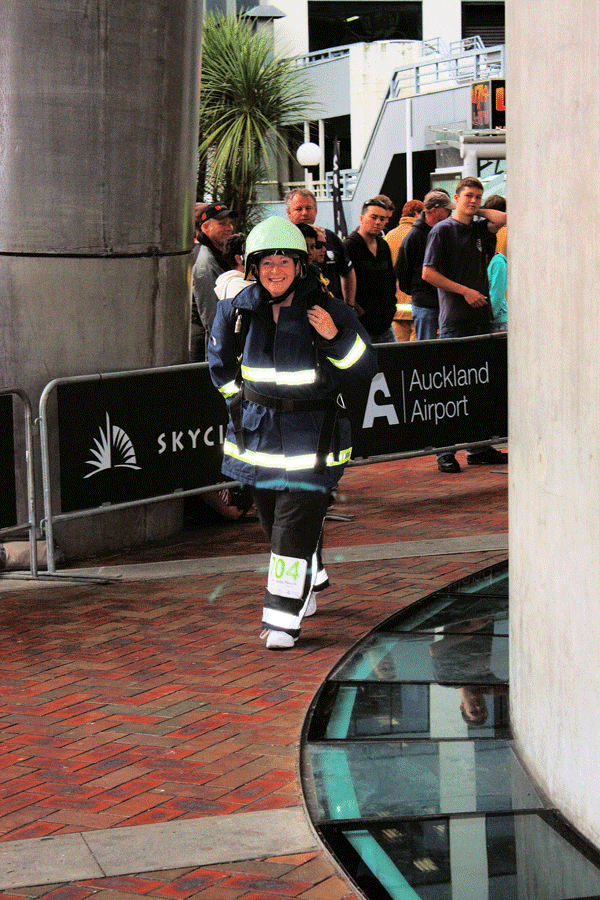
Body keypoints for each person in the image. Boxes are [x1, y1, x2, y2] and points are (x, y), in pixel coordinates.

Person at [208, 217, 377, 650]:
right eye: (268, 263)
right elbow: (219, 364)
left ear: (300, 266)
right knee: (274, 524)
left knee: (288, 531)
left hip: (313, 442)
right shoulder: (236, 310)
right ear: (254, 267)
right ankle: (308, 563)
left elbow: (363, 370)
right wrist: (238, 405)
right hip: (260, 441)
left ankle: (283, 618)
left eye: (286, 261)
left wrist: (336, 338)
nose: (276, 271)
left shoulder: (329, 310)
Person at [422, 176, 508, 472]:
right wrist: (464, 291)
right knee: (450, 388)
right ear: (455, 198)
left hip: (479, 320)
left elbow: (507, 218)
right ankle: (445, 452)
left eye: (478, 196)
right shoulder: (442, 231)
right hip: (455, 321)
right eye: (468, 195)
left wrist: (479, 210)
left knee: (478, 388)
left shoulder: (480, 228)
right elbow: (428, 273)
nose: (473, 200)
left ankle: (479, 447)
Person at [394, 190, 454, 341]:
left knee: (428, 348)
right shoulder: (415, 236)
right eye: (446, 209)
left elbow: (401, 272)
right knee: (427, 349)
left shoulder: (438, 232)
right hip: (426, 303)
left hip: (435, 301)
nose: (450, 213)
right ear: (434, 211)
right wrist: (419, 291)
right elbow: (401, 270)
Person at [285, 188, 356, 307]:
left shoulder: (329, 237)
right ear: (288, 213)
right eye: (298, 209)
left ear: (316, 210)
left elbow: (348, 271)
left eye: (308, 208)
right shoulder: (283, 240)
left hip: (334, 311)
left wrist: (349, 305)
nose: (304, 213)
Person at [344, 198, 398, 343]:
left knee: (395, 361)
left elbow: (390, 279)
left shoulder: (383, 246)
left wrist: (391, 307)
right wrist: (358, 310)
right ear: (362, 218)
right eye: (373, 217)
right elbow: (344, 282)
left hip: (385, 323)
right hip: (361, 325)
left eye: (382, 218)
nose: (378, 222)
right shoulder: (349, 246)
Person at [190, 201, 236, 362]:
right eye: (222, 224)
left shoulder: (217, 254)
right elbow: (211, 315)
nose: (228, 228)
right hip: (207, 345)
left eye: (230, 223)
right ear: (206, 228)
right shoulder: (205, 262)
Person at [385, 199, 424, 341]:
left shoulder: (389, 236)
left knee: (400, 354)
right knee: (418, 356)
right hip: (418, 308)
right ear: (416, 213)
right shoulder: (420, 235)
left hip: (397, 312)